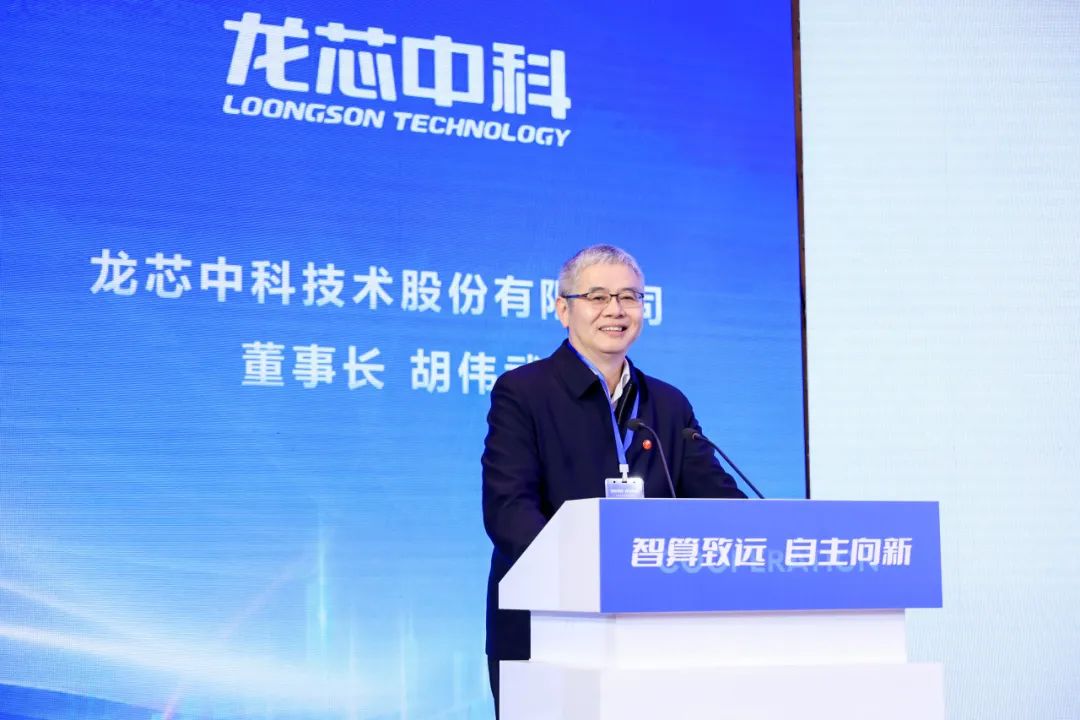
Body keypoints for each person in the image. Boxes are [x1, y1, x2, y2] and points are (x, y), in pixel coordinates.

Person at [481, 244, 745, 714]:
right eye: (598, 297)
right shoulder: (523, 392)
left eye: (629, 297)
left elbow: (719, 501)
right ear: (564, 309)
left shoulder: (668, 404)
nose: (616, 310)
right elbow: (508, 511)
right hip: (546, 628)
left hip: (654, 632)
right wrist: (589, 572)